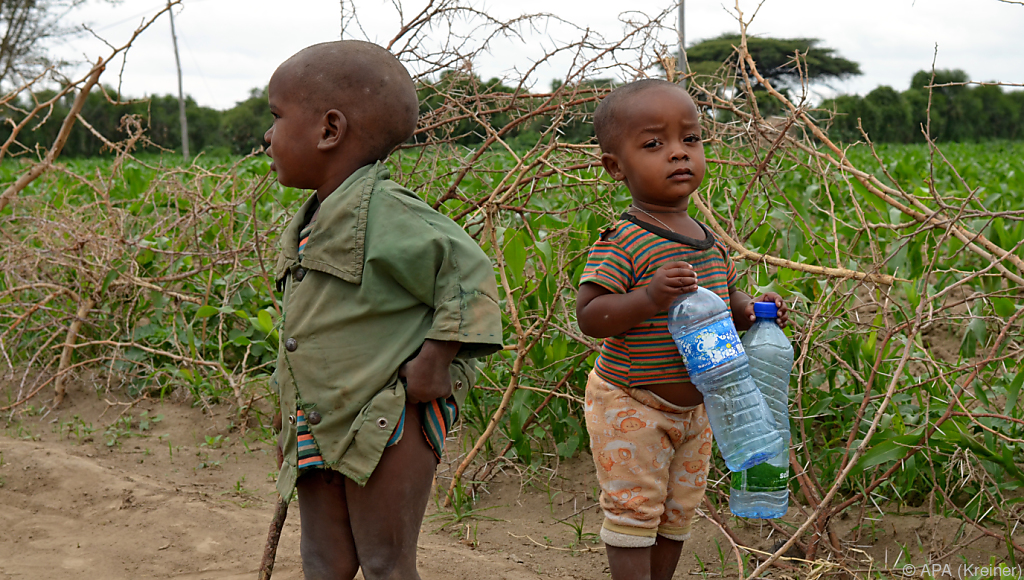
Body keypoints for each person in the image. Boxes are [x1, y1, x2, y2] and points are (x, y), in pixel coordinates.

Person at [265, 40, 503, 580]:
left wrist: (437, 359)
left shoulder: (390, 215)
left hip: (387, 417)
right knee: (324, 561)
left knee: (385, 563)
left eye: (276, 117)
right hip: (319, 416)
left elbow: (468, 275)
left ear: (329, 130)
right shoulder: (315, 219)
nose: (268, 135)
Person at [576, 79, 789, 580]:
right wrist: (649, 297)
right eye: (654, 144)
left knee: (676, 513)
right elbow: (590, 315)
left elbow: (724, 302)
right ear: (615, 166)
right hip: (633, 404)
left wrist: (753, 309)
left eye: (689, 140)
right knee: (634, 513)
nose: (678, 154)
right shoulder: (624, 239)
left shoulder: (707, 241)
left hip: (699, 409)